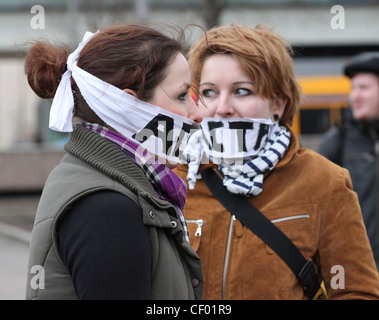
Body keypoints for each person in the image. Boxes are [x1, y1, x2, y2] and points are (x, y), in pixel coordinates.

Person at [174, 23, 379, 299]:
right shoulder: (172, 179)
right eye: (209, 92)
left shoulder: (324, 181)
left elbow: (355, 290)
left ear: (278, 104)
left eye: (242, 91)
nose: (222, 108)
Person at [24, 23, 204, 300]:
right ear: (130, 106)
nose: (197, 112)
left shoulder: (99, 181)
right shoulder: (108, 208)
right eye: (182, 96)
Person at [319, 52, 379, 268]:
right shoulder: (338, 140)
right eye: (353, 89)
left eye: (363, 88)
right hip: (360, 270)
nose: (355, 96)